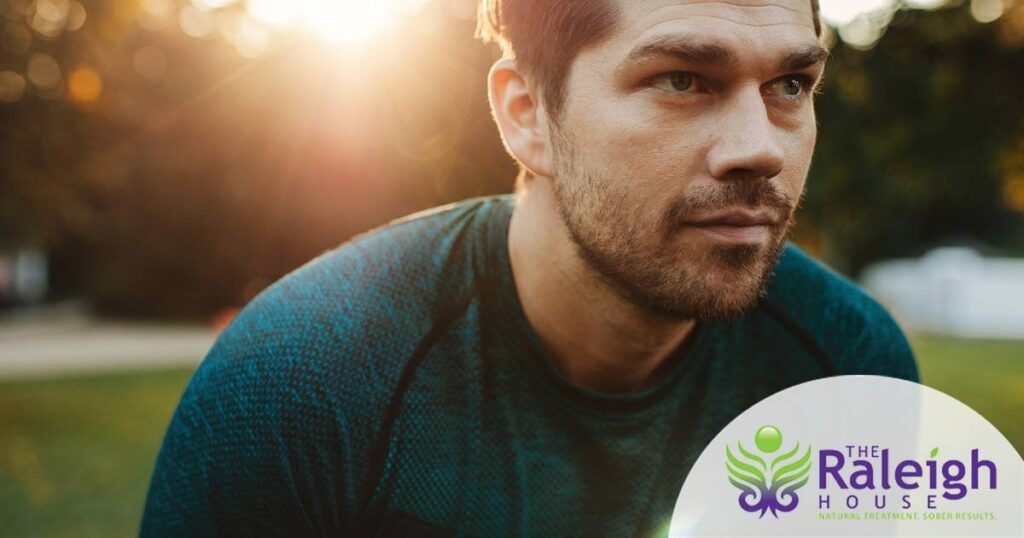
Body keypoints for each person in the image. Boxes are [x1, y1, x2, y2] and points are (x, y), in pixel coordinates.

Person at [141, 0, 918, 536]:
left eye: (790, 84)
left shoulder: (848, 371)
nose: (762, 147)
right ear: (526, 115)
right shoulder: (303, 386)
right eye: (682, 79)